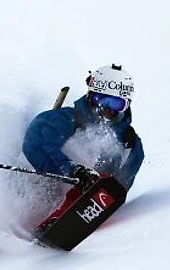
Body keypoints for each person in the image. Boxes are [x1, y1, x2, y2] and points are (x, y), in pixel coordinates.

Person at [22, 64, 144, 192]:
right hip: (41, 190)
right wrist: (72, 171)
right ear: (90, 97)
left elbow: (122, 186)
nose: (107, 109)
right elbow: (36, 143)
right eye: (101, 100)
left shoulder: (129, 143)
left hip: (92, 201)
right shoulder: (63, 120)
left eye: (116, 104)